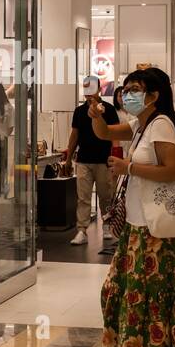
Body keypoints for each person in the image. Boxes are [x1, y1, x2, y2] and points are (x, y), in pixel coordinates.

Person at [85, 67, 175, 347]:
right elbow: (105, 134)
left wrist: (128, 167)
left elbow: (174, 170)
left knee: (156, 299)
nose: (127, 95)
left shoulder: (160, 125)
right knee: (122, 293)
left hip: (156, 232)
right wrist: (95, 115)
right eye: (125, 89)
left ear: (154, 95)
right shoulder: (141, 125)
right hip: (137, 228)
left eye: (135, 89)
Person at [61, 76, 118, 245]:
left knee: (106, 196)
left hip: (104, 160)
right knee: (83, 197)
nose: (88, 93)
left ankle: (107, 225)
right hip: (84, 160)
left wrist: (115, 157)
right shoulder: (79, 111)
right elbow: (74, 135)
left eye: (91, 88)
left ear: (99, 89)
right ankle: (82, 230)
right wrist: (69, 157)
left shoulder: (108, 109)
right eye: (85, 89)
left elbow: (115, 134)